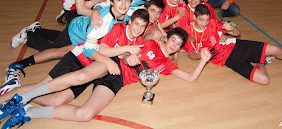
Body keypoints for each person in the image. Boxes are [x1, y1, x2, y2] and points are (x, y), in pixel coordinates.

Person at [0, 28, 212, 127]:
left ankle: (27, 110)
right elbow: (128, 44)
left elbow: (190, 78)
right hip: (109, 64)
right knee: (81, 75)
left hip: (116, 80)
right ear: (166, 38)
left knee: (83, 113)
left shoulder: (168, 64)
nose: (173, 45)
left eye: (178, 44)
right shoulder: (150, 43)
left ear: (179, 48)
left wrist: (202, 60)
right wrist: (128, 55)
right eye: (172, 39)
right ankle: (11, 98)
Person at [1, 0, 133, 95]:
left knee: (60, 42)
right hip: (77, 31)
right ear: (112, 1)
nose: (123, 4)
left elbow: (107, 5)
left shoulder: (125, 13)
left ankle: (37, 29)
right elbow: (88, 50)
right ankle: (20, 59)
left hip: (85, 31)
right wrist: (107, 61)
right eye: (119, 0)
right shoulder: (103, 21)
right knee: (59, 52)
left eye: (127, 0)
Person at [184, 4, 282, 85]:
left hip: (236, 46)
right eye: (201, 20)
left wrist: (230, 29)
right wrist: (201, 55)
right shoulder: (189, 33)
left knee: (275, 49)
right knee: (265, 80)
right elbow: (191, 56)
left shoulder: (213, 23)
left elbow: (237, 33)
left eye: (207, 20)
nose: (205, 23)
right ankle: (261, 62)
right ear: (195, 18)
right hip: (228, 60)